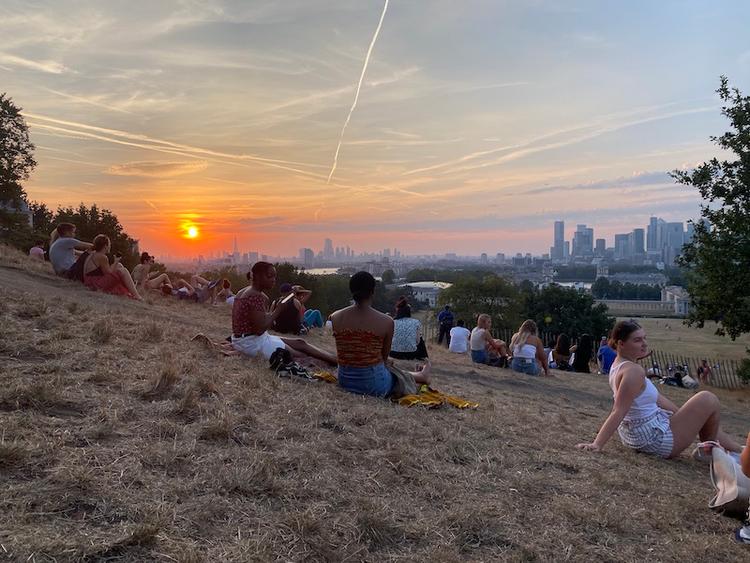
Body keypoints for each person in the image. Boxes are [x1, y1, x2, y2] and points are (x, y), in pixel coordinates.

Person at [576, 320, 743, 458]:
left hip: (638, 435)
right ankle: (718, 453)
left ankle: (735, 449)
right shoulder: (634, 371)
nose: (644, 343)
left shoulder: (619, 366)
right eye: (637, 340)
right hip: (653, 439)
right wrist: (597, 444)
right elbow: (618, 411)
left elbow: (659, 401)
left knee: (701, 410)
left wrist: (689, 419)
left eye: (644, 338)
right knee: (708, 398)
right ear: (621, 344)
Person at [330, 272, 430, 397]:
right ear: (372, 291)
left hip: (345, 380)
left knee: (388, 368)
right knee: (393, 374)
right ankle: (421, 377)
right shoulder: (386, 321)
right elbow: (383, 358)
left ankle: (420, 376)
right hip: (373, 385)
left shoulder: (335, 317)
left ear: (351, 290)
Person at [230, 261, 336, 364]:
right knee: (299, 355)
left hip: (243, 339)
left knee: (300, 343)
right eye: (270, 276)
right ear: (258, 276)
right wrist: (278, 309)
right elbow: (260, 329)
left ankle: (334, 358)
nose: (273, 280)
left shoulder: (244, 292)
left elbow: (255, 321)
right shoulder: (255, 295)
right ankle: (336, 361)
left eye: (274, 277)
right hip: (252, 343)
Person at [82, 235, 142, 300]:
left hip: (89, 281)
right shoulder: (102, 257)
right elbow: (108, 273)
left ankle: (130, 291)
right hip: (95, 284)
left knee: (119, 265)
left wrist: (116, 263)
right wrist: (115, 261)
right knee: (123, 270)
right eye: (109, 244)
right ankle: (136, 295)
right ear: (105, 246)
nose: (110, 246)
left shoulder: (93, 254)